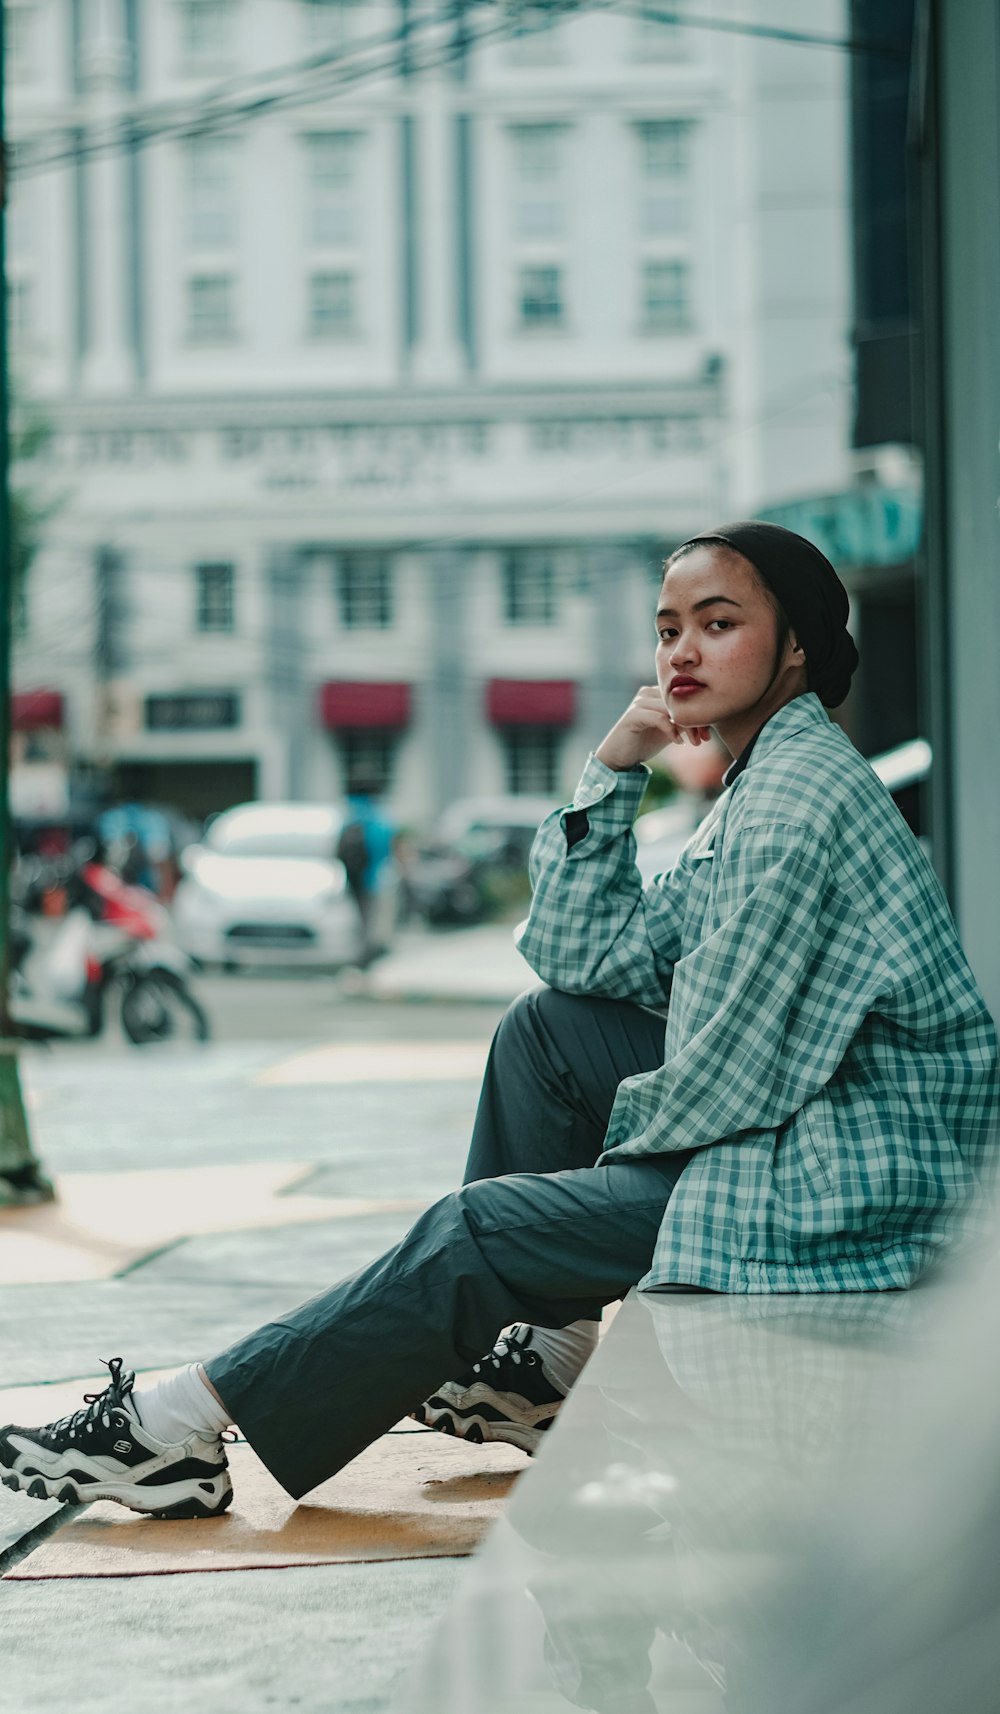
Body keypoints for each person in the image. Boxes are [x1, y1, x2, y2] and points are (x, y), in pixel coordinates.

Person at [3, 523, 997, 1521]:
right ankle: (537, 1366)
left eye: (718, 622)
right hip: (809, 1129)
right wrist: (613, 768)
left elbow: (725, 1081)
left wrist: (541, 1223)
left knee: (476, 1233)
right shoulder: (763, 783)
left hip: (851, 1184)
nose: (681, 651)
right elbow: (585, 959)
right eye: (666, 628)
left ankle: (174, 1427)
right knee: (547, 1031)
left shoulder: (795, 802)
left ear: (795, 646)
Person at [336, 782, 397, 969]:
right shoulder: (378, 819)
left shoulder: (350, 817)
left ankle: (361, 953)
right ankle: (368, 955)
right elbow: (385, 850)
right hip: (374, 878)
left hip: (354, 878)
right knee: (373, 918)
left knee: (360, 917)